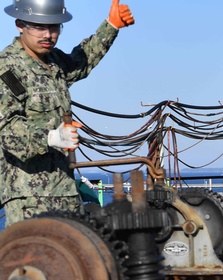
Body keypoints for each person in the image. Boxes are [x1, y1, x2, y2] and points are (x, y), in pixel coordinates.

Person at [0, 0, 134, 225]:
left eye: (54, 27)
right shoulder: (8, 69)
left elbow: (81, 62)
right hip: (30, 196)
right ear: (20, 25)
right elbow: (7, 131)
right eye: (39, 27)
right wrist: (51, 137)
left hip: (66, 188)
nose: (48, 35)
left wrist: (111, 25)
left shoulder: (53, 62)